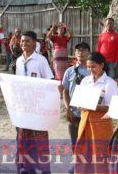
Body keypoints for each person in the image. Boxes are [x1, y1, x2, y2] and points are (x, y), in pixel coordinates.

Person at [15, 31, 54, 173]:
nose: (24, 44)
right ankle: (26, 167)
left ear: (34, 43)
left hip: (38, 106)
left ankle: (43, 169)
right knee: (24, 137)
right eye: (22, 41)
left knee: (39, 138)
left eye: (27, 41)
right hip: (23, 107)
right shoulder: (19, 61)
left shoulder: (41, 60)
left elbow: (49, 80)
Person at [74, 52, 118, 174]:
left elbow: (113, 107)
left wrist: (94, 106)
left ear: (102, 65)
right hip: (84, 123)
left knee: (100, 156)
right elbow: (79, 102)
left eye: (93, 66)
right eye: (88, 67)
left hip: (101, 125)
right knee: (83, 153)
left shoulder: (110, 83)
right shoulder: (85, 81)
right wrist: (80, 104)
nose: (90, 69)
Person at [62, 42, 90, 159]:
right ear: (74, 54)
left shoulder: (92, 70)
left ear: (89, 52)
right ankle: (77, 166)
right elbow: (65, 91)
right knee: (75, 142)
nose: (81, 53)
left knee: (89, 143)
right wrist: (67, 108)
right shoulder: (69, 71)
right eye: (78, 51)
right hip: (73, 112)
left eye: (84, 50)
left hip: (88, 113)